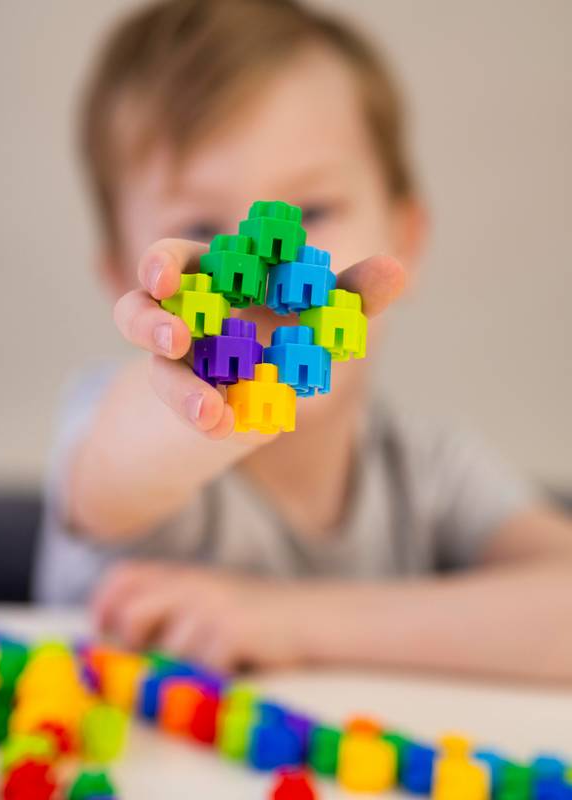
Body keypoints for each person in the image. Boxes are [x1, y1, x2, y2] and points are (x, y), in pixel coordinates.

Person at [34, 0, 572, 680]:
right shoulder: (121, 428)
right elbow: (122, 456)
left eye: (312, 211)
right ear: (122, 276)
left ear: (406, 234)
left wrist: (290, 619)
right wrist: (205, 398)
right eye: (202, 226)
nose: (264, 267)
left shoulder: (431, 473)